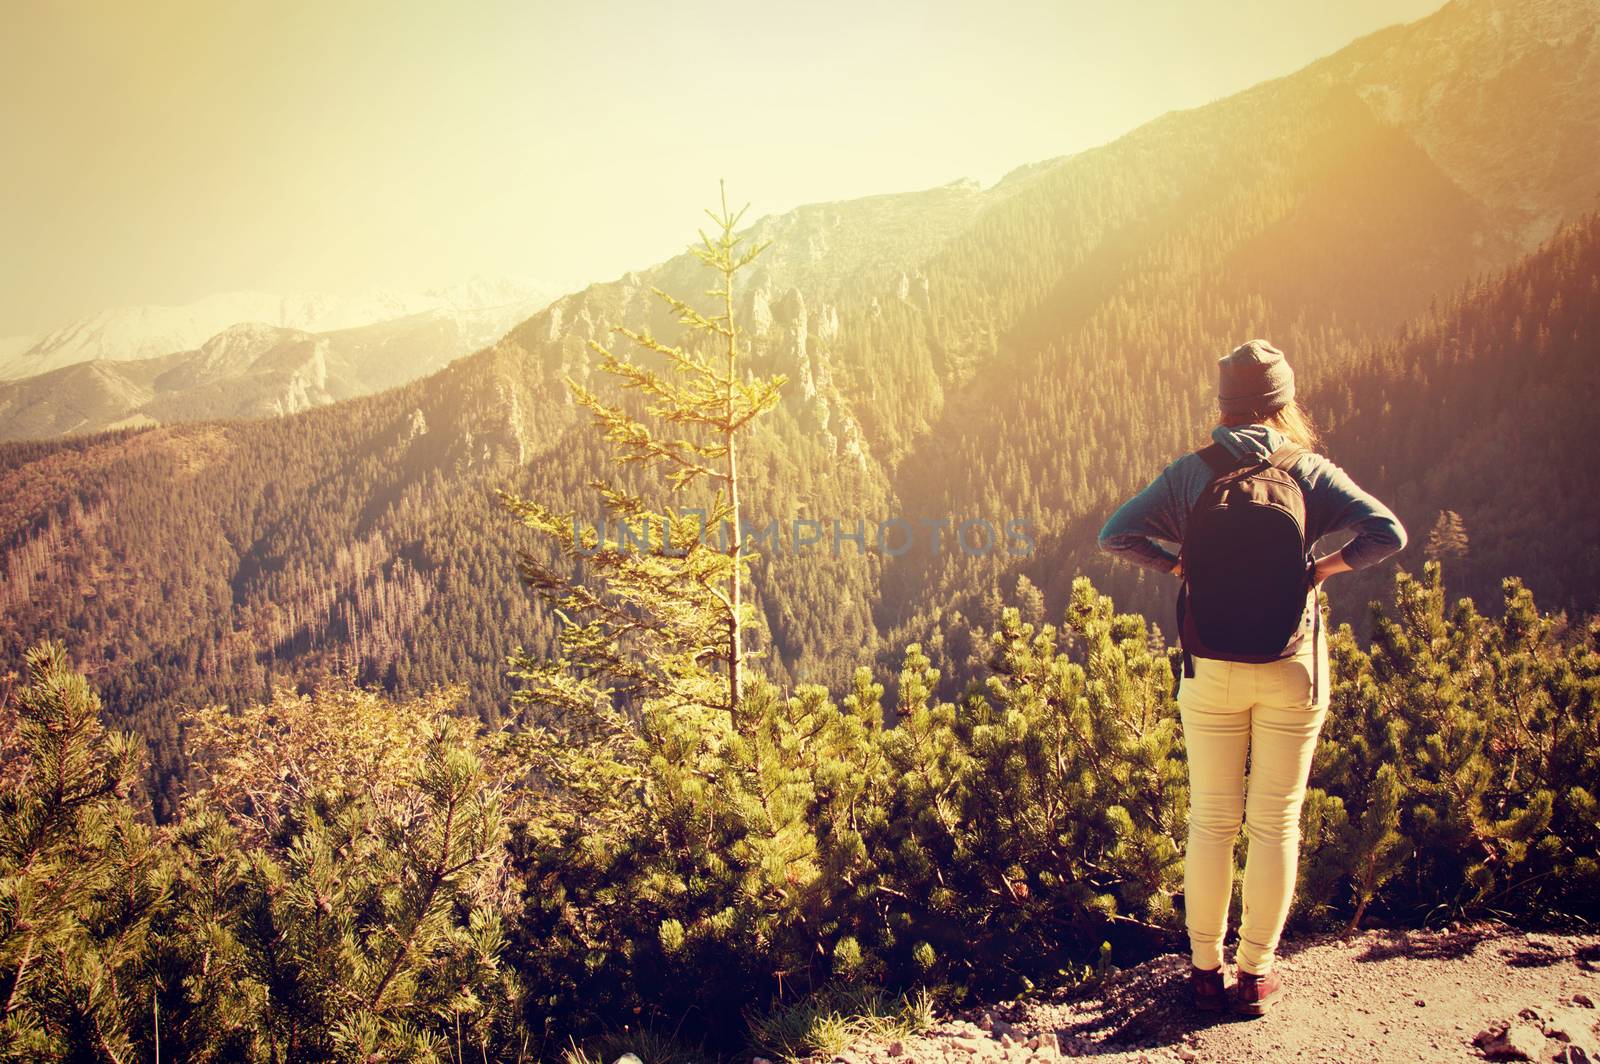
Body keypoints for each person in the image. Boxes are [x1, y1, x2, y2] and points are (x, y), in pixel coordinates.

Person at [1096, 339, 1407, 1017]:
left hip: (1210, 668)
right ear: (1283, 402)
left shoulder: (1191, 473)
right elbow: (1388, 533)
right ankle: (1256, 975)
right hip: (1291, 666)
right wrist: (1323, 568)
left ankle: (1205, 970)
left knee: (1211, 821)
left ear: (1223, 403)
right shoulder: (1309, 470)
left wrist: (1179, 566)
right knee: (1275, 823)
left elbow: (1115, 535)